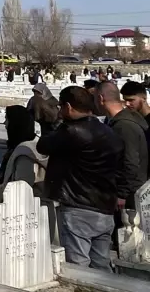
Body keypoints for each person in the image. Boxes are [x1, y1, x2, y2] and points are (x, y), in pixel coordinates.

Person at [38, 85, 122, 268]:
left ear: (68, 106)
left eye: (60, 106)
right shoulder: (107, 131)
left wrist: (57, 123)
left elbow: (43, 145)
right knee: (101, 263)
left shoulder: (71, 131)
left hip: (78, 206)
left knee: (78, 266)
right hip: (105, 205)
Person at [98, 81, 148, 215]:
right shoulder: (123, 120)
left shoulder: (123, 126)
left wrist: (122, 194)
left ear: (101, 99)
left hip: (131, 195)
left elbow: (130, 162)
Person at [0, 105, 47, 189]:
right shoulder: (30, 145)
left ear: (15, 123)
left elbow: (19, 187)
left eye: (7, 119)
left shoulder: (24, 152)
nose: (5, 123)